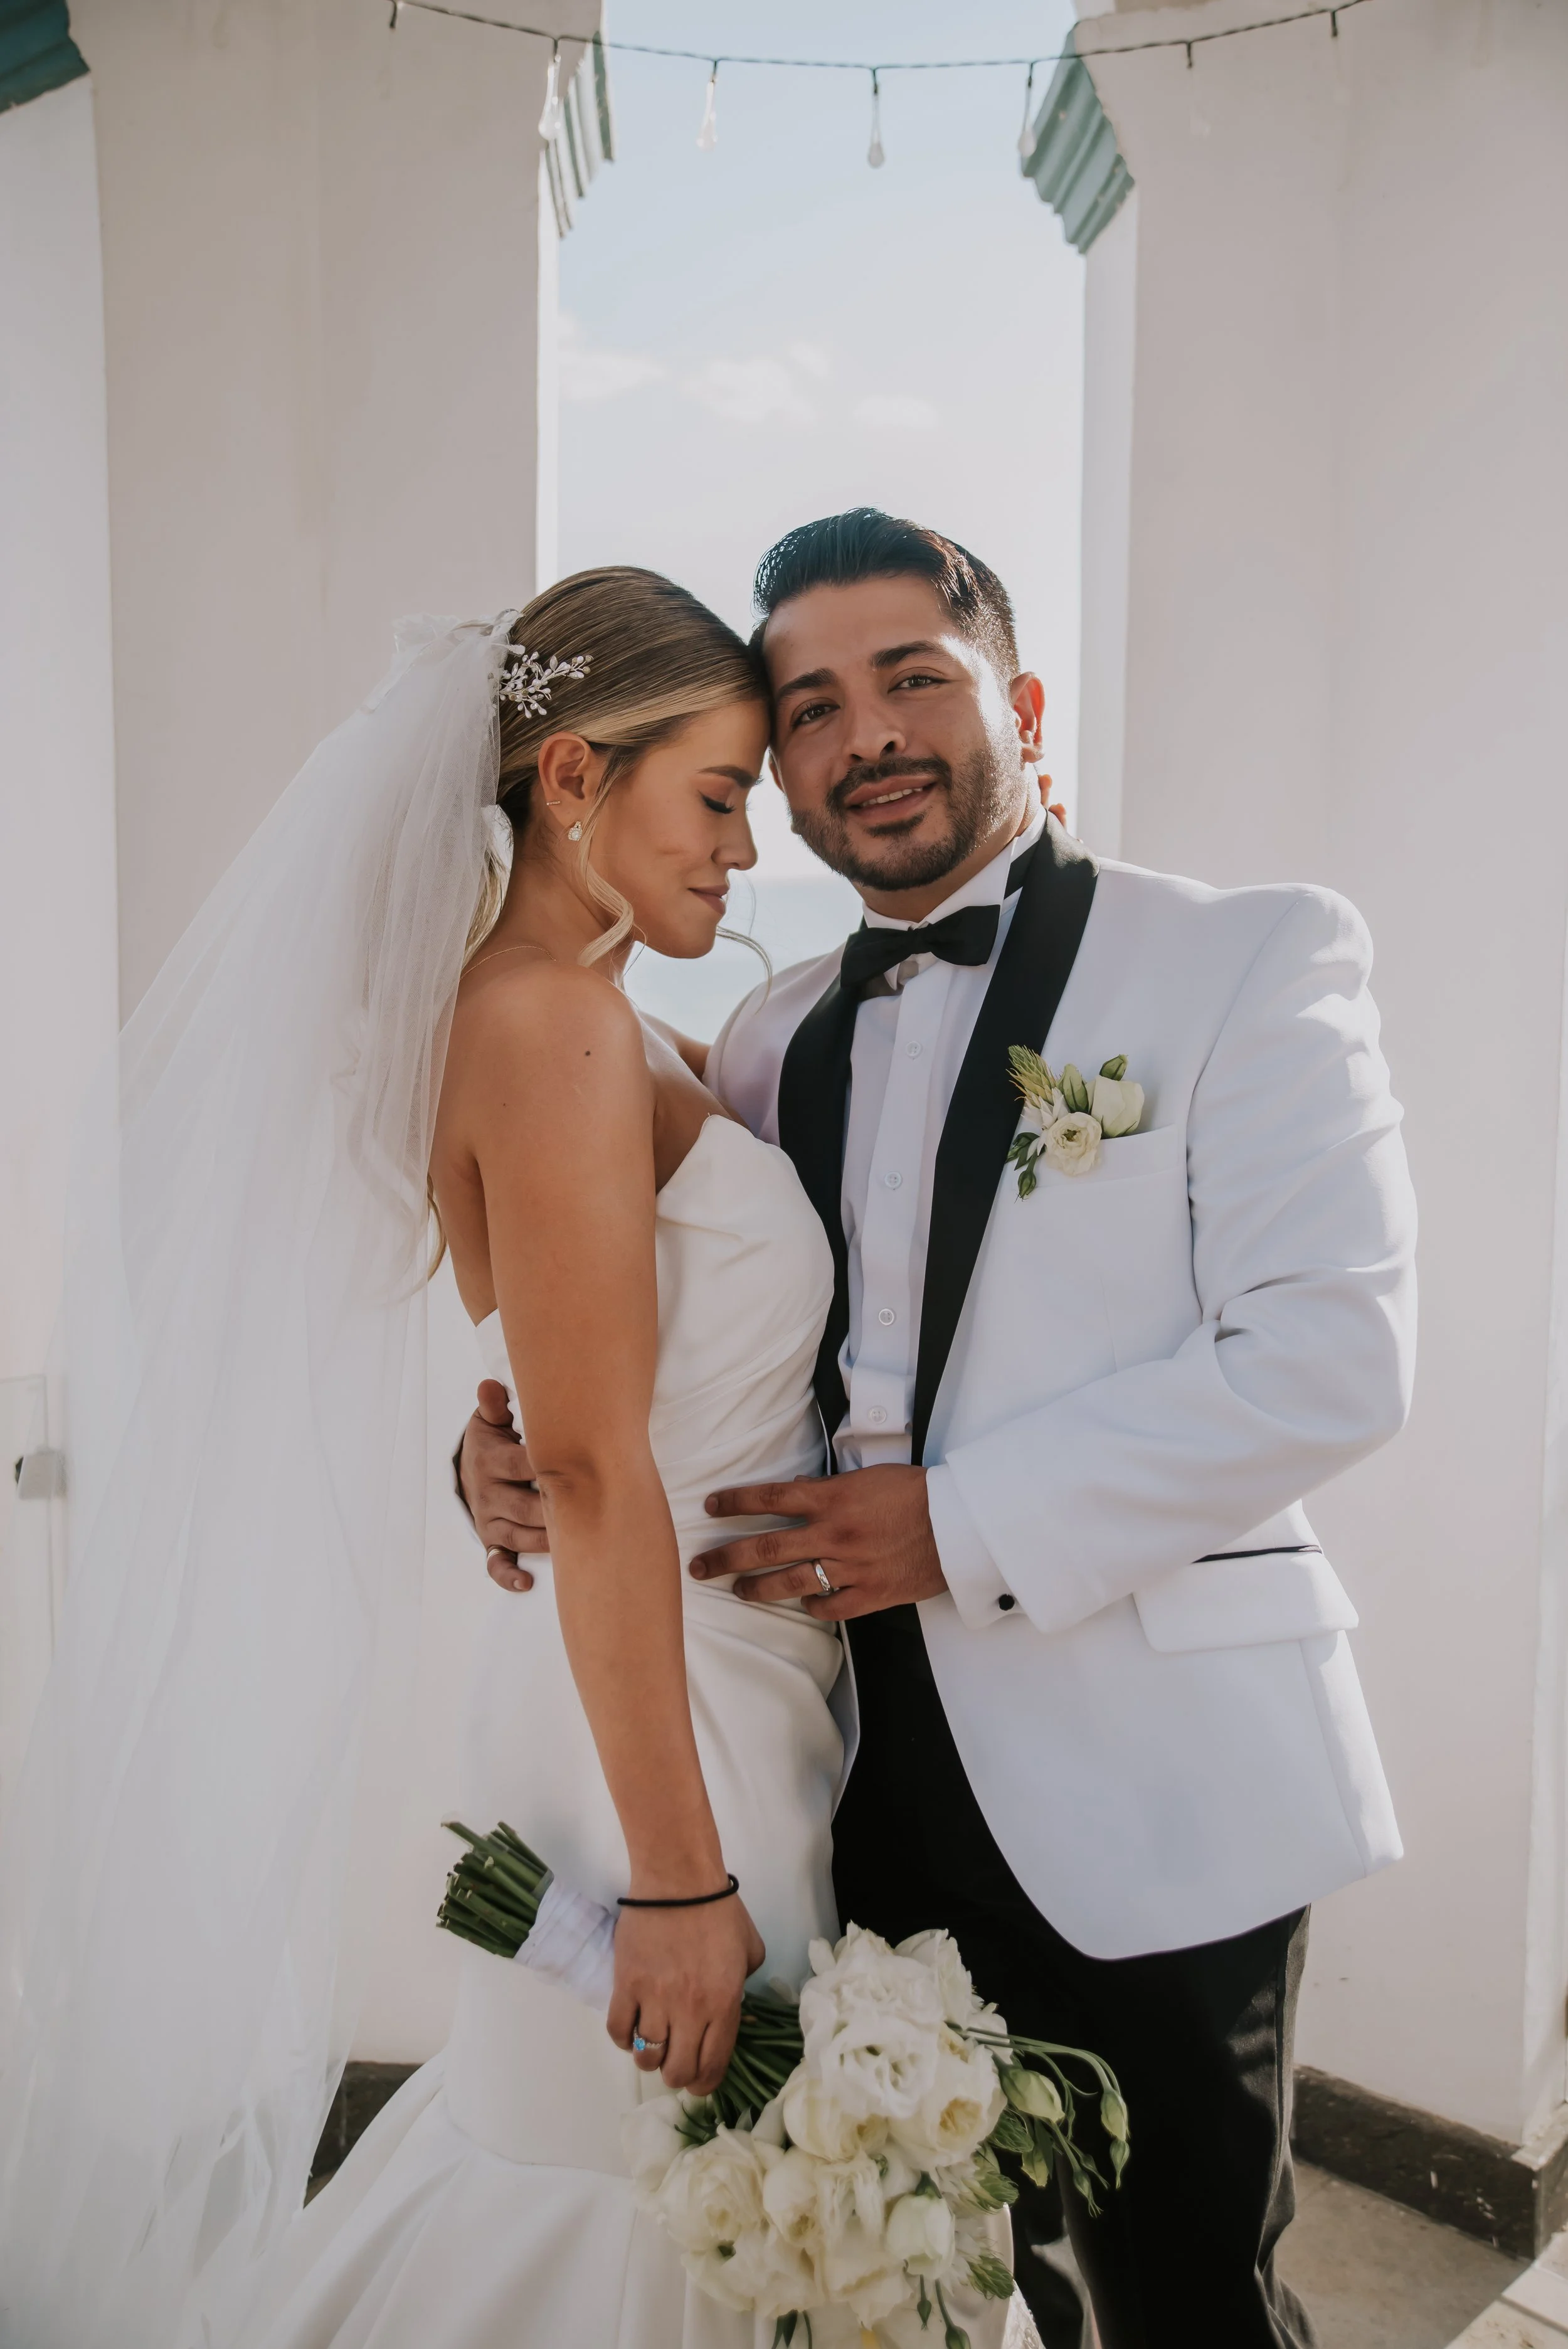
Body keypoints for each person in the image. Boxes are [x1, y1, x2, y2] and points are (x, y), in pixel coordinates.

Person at [0, 565, 1029, 2349]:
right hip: (662, 1722)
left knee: (666, 2181)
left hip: (687, 1673)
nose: (746, 843)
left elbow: (572, 1405)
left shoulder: (569, 1012)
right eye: (714, 795)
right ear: (570, 780)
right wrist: (678, 1879)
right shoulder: (548, 1023)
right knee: (634, 2190)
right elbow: (600, 1471)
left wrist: (500, 1460)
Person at [460, 511, 1419, 2349]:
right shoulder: (762, 1038)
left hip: (1154, 1779)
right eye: (810, 708)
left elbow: (1331, 1353)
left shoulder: (1242, 957)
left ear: (1022, 707)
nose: (866, 735)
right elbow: (660, 1330)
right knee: (922, 2286)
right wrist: (497, 1449)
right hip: (842, 1777)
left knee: (1185, 2302)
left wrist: (958, 1525)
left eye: (914, 678)